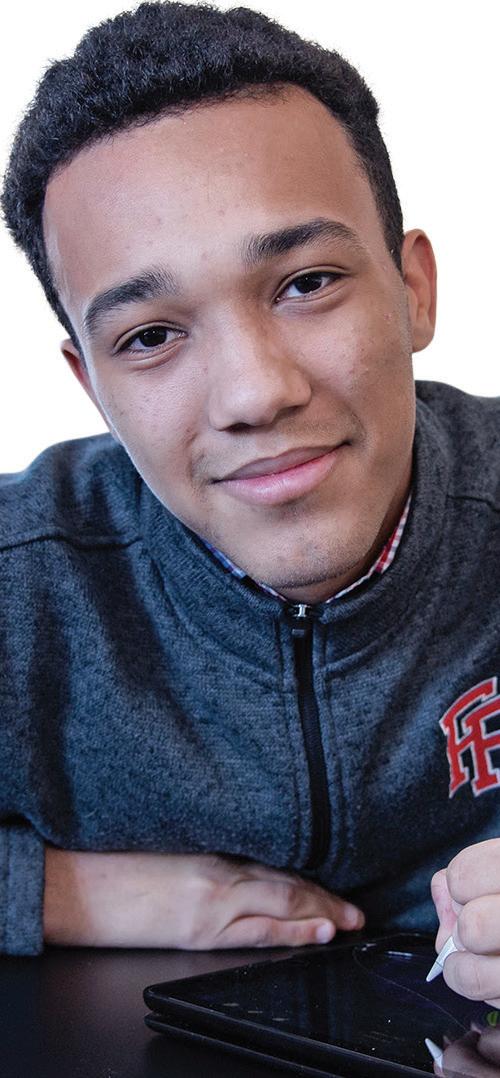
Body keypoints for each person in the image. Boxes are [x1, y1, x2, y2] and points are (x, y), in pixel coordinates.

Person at [0, 0, 499, 1014]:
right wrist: (59, 892)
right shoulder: (22, 580)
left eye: (306, 283)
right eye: (149, 337)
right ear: (90, 382)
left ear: (412, 289)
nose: (255, 393)